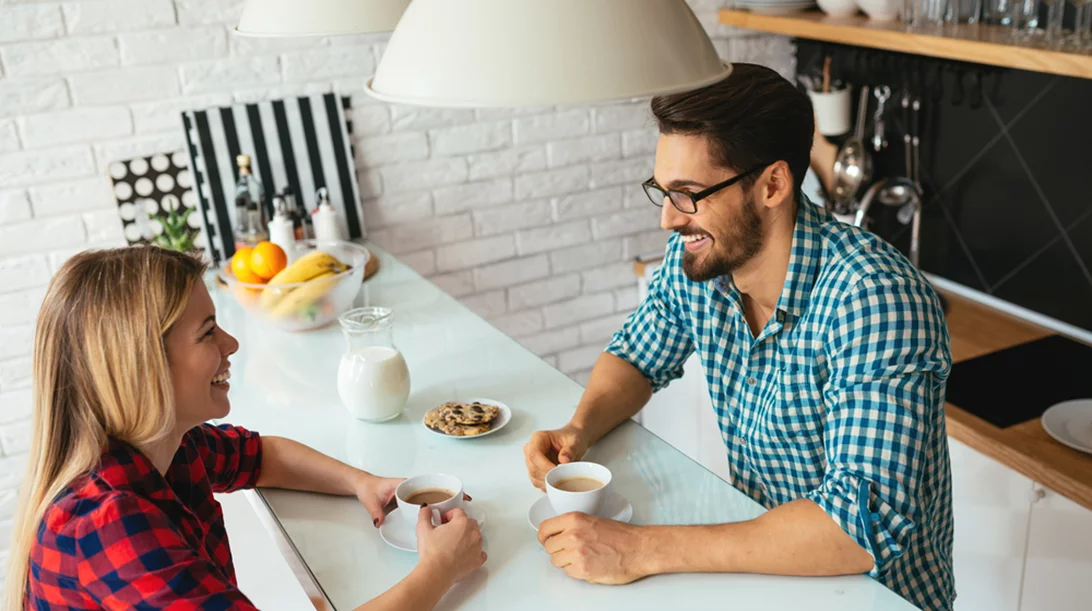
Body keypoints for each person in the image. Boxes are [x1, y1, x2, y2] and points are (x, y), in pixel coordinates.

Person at [523, 63, 953, 611]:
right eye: (664, 191)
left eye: (689, 193)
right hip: (764, 576)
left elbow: (854, 526)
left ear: (773, 184)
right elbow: (635, 356)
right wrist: (577, 431)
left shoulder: (874, 299)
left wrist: (639, 550)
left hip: (874, 597)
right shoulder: (702, 264)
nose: (669, 221)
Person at [4, 247, 485, 611]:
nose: (232, 343)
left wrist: (363, 482)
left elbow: (261, 457)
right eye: (208, 331)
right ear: (142, 367)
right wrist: (440, 568)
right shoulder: (108, 525)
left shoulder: (166, 446)